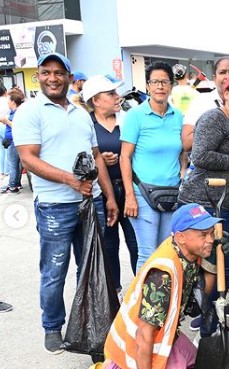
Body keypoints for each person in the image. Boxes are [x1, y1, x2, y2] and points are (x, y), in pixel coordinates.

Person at [13, 52, 118, 354]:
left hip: (91, 202)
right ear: (39, 77)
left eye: (59, 73)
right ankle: (52, 326)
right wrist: (70, 180)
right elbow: (28, 158)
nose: (53, 78)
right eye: (46, 72)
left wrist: (108, 197)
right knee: (54, 270)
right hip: (55, 206)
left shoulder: (81, 113)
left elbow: (96, 157)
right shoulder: (30, 112)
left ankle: (87, 321)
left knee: (90, 267)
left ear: (70, 78)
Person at [99, 203, 220, 369]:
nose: (211, 240)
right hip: (135, 342)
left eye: (211, 233)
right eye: (203, 235)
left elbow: (196, 302)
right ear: (180, 236)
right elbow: (144, 334)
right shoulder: (161, 276)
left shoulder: (187, 252)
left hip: (165, 333)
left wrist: (213, 260)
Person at [178, 73, 229, 318]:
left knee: (227, 263)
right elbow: (200, 156)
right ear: (225, 93)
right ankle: (203, 314)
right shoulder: (214, 118)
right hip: (210, 203)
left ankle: (216, 307)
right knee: (216, 264)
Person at [120, 61, 183, 273]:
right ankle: (142, 304)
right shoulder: (136, 116)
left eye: (164, 82)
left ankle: (161, 301)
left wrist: (182, 173)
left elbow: (182, 151)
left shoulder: (178, 116)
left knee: (166, 251)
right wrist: (129, 195)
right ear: (147, 86)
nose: (160, 86)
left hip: (171, 193)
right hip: (143, 193)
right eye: (154, 82)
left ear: (171, 86)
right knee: (148, 253)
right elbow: (125, 157)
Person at [83, 75, 138, 297]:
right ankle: (113, 293)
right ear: (96, 100)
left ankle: (141, 292)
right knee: (108, 245)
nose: (117, 97)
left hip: (130, 190)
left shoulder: (128, 119)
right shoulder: (86, 123)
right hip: (102, 193)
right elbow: (78, 158)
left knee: (136, 244)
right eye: (111, 94)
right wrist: (97, 160)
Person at [181, 57, 229, 151]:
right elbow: (186, 143)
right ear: (214, 78)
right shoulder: (201, 101)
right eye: (222, 72)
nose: (227, 76)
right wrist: (218, 128)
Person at [0, 88, 26, 193]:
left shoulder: (18, 113)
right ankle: (16, 183)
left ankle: (12, 185)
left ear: (13, 102)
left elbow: (17, 126)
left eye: (8, 101)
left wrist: (6, 121)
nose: (7, 103)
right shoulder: (14, 111)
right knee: (16, 164)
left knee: (13, 164)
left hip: (14, 141)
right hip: (13, 140)